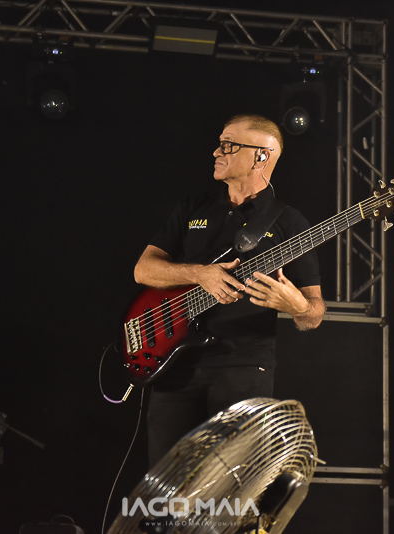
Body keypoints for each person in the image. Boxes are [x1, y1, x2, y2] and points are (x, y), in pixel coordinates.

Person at [133, 114, 325, 466]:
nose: (216, 152)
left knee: (231, 480)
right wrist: (199, 274)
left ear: (261, 156)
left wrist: (295, 305)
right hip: (176, 363)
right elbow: (143, 270)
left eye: (228, 145)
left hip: (244, 367)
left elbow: (313, 314)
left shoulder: (291, 222)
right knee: (166, 480)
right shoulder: (195, 206)